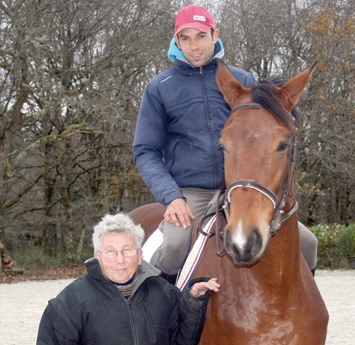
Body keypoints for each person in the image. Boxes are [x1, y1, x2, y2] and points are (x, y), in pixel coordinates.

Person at [132, 4, 319, 283]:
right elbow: (145, 151)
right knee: (172, 247)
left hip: (240, 187)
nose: (194, 46)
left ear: (214, 34)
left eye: (200, 36)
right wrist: (172, 197)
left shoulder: (243, 81)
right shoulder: (160, 88)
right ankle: (163, 315)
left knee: (308, 242)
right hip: (189, 192)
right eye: (185, 38)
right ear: (176, 41)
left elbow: (261, 139)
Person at [36, 213, 220, 345]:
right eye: (110, 251)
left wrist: (193, 302)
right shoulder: (68, 303)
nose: (119, 259)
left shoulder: (165, 293)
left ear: (140, 255)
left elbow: (182, 341)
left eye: (127, 250)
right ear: (97, 256)